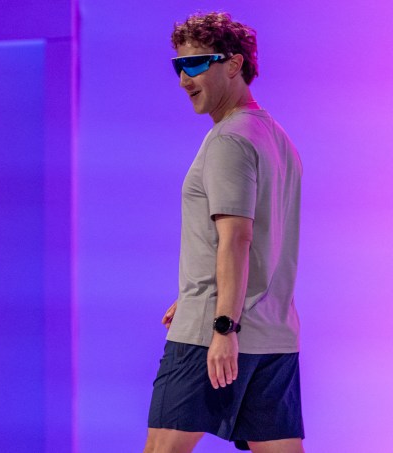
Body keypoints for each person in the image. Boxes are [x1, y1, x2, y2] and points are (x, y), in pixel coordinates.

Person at [144, 12, 304, 453]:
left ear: (234, 64)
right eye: (178, 66)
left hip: (212, 336)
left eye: (195, 64)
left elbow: (237, 238)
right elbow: (258, 238)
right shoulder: (276, 138)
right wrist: (200, 291)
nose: (184, 79)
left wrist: (221, 324)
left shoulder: (229, 140)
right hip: (274, 333)